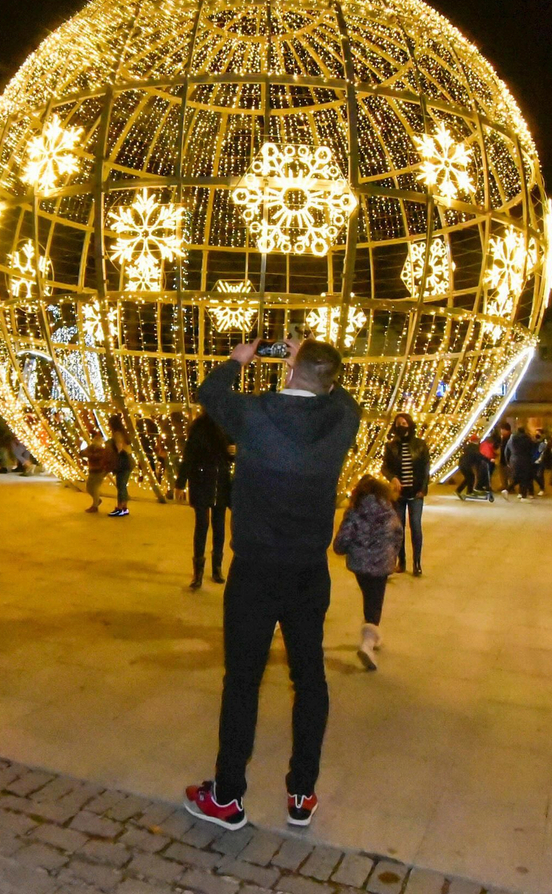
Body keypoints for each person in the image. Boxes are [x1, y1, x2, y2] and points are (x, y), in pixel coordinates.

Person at [183, 337, 360, 832]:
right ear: (329, 381)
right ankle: (302, 793)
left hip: (256, 570)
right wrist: (312, 361)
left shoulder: (256, 414)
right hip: (308, 571)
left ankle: (227, 796)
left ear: (289, 368)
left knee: (243, 679)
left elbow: (210, 393)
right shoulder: (340, 421)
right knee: (310, 678)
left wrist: (237, 360)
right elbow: (348, 402)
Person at [332, 475, 401, 671]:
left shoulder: (355, 511)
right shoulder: (389, 510)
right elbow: (398, 534)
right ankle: (368, 643)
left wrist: (341, 549)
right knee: (375, 601)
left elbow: (342, 540)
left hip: (360, 564)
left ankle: (372, 635)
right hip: (381, 564)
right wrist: (392, 554)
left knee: (370, 597)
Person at [176, 411, 232, 589]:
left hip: (220, 482)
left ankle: (217, 567)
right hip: (202, 480)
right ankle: (198, 571)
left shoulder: (226, 425)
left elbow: (231, 453)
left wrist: (234, 452)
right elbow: (189, 456)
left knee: (219, 526)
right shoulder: (199, 427)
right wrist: (180, 482)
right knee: (202, 524)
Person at [381, 413, 429, 577]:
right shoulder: (391, 446)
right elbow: (385, 467)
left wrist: (423, 488)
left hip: (416, 493)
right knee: (398, 528)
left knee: (415, 526)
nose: (401, 426)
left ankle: (417, 563)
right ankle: (401, 561)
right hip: (399, 494)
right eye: (398, 424)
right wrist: (392, 478)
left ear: (409, 424)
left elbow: (425, 468)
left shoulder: (420, 445)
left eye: (404, 423)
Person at [107, 414, 133, 517]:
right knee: (123, 484)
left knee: (121, 485)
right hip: (128, 460)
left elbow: (119, 448)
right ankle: (124, 507)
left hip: (123, 460)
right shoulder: (124, 433)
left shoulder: (117, 434)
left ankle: (120, 507)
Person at [84, 435, 116, 512]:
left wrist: (90, 455)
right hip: (92, 470)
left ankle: (95, 505)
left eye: (97, 441)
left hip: (99, 471)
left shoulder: (102, 450)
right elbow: (83, 453)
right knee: (89, 487)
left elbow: (96, 457)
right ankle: (97, 500)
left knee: (95, 488)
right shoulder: (91, 448)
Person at [507, 425, 538, 500]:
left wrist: (508, 460)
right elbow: (533, 448)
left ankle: (510, 490)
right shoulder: (527, 439)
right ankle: (524, 495)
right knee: (525, 477)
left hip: (514, 459)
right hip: (526, 459)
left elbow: (507, 450)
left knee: (517, 476)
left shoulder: (512, 439)